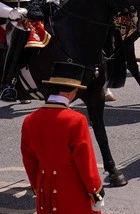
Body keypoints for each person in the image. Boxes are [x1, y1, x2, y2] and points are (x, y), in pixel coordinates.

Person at [21, 61, 106, 213]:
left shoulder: (29, 120)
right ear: (71, 91)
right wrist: (95, 190)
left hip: (45, 188)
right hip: (72, 189)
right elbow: (85, 161)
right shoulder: (76, 120)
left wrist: (36, 185)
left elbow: (29, 160)